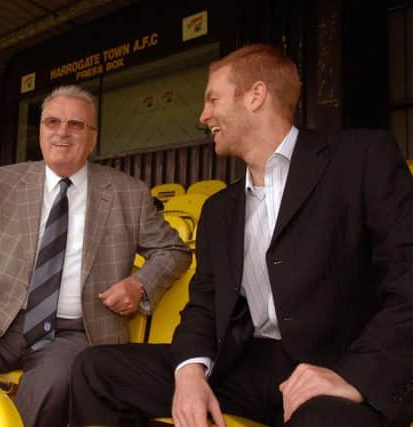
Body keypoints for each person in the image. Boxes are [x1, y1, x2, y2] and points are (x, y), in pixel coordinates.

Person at [70, 44, 413, 427]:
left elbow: (408, 281)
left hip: (338, 365)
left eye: (212, 99)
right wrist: (189, 373)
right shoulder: (219, 209)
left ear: (256, 95)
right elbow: (203, 304)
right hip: (249, 364)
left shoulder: (362, 157)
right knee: (95, 369)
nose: (203, 116)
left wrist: (354, 374)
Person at [0, 85, 192, 427]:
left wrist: (141, 285)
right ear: (40, 130)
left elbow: (173, 250)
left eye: (76, 125)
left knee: (49, 388)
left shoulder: (129, 193)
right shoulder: (2, 184)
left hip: (75, 333)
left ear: (93, 137)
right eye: (52, 122)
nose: (62, 133)